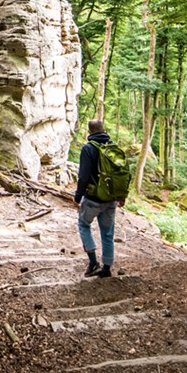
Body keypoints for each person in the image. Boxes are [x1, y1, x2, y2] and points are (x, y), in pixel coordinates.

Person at [75, 119, 123, 278]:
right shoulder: (113, 147)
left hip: (93, 198)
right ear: (104, 129)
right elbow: (120, 174)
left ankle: (93, 261)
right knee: (108, 232)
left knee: (83, 224)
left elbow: (83, 176)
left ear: (90, 132)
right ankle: (107, 268)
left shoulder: (88, 149)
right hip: (111, 198)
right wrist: (122, 196)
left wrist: (78, 196)